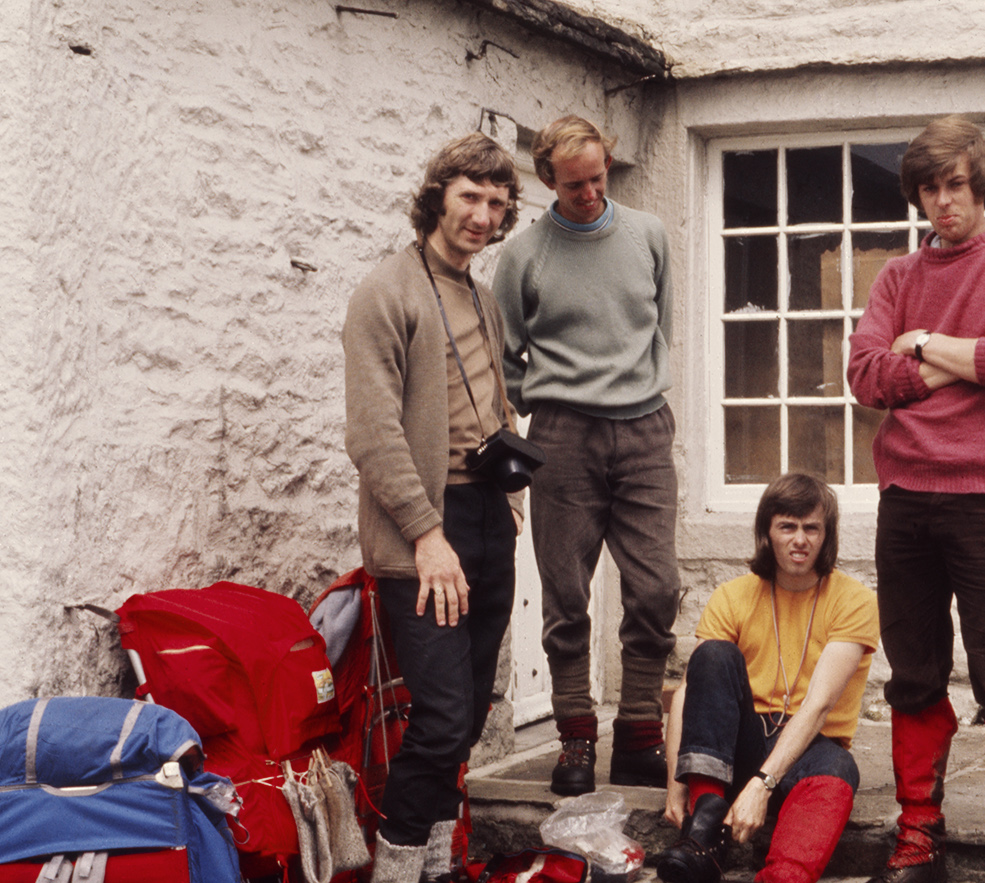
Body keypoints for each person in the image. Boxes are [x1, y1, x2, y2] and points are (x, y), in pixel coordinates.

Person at [846, 116, 985, 883]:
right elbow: (867, 379)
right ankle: (918, 829)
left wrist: (918, 344)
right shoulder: (898, 279)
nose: (943, 202)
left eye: (957, 186)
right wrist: (952, 358)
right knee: (914, 673)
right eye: (930, 188)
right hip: (907, 498)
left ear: (983, 186)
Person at [343, 132, 524, 883]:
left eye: (496, 202)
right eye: (469, 197)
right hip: (427, 531)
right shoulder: (386, 292)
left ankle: (438, 864)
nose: (482, 215)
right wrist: (426, 535)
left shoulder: (480, 295)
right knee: (442, 715)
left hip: (486, 517)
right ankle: (396, 868)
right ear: (436, 198)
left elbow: (490, 398)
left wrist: (509, 489)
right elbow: (372, 431)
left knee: (472, 713)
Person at [493, 114, 680, 795]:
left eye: (599, 177)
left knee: (656, 584)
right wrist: (542, 407)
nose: (591, 192)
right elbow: (502, 353)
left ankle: (638, 731)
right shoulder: (524, 256)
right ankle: (575, 737)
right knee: (566, 591)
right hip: (563, 434)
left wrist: (642, 391)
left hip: (645, 428)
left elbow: (662, 322)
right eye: (575, 185)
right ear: (546, 182)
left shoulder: (648, 234)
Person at [655, 473, 879, 883]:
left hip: (810, 744)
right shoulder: (733, 595)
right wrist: (675, 783)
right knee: (714, 654)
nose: (800, 540)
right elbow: (691, 692)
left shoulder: (855, 601)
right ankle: (704, 834)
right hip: (738, 740)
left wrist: (761, 784)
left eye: (812, 528)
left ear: (827, 536)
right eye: (787, 526)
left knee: (840, 770)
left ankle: (784, 876)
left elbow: (818, 706)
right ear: (767, 532)